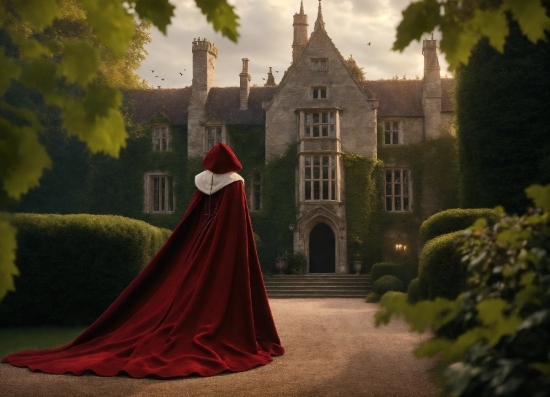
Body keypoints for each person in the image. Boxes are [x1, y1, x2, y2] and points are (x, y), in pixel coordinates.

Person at [2, 143, 284, 378]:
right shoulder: (235, 184)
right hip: (216, 246)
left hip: (199, 242)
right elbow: (233, 225)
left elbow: (194, 220)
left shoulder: (203, 181)